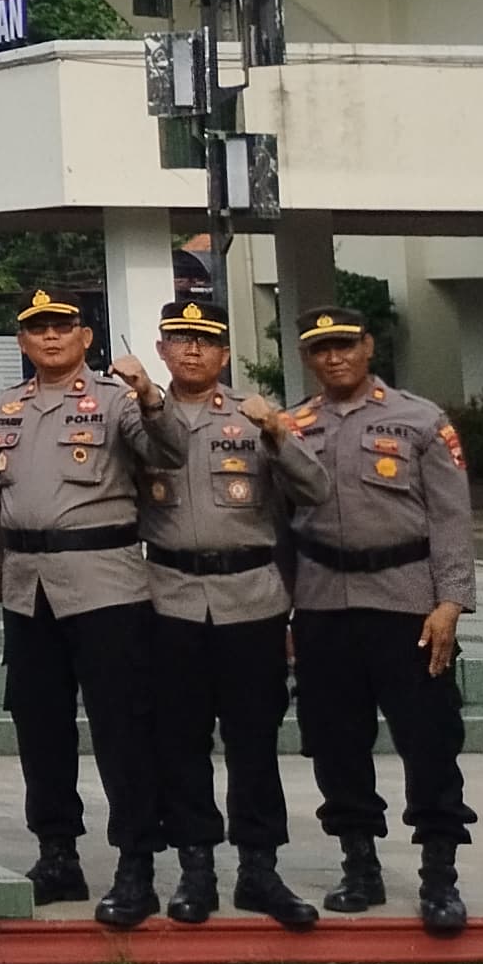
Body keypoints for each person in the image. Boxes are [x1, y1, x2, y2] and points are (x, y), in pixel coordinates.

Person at [122, 290, 325, 931]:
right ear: (160, 350)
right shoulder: (135, 418)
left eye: (205, 339)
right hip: (169, 596)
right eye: (180, 339)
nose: (192, 349)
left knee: (253, 741)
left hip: (251, 599)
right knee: (179, 740)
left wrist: (278, 433)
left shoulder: (253, 415)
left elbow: (316, 489)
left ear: (224, 352)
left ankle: (260, 869)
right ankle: (195, 868)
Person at [0, 287, 162, 926]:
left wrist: (151, 396)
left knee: (122, 728)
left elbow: (165, 453)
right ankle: (57, 854)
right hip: (29, 588)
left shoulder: (117, 402)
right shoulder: (4, 409)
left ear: (86, 337)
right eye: (37, 328)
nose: (50, 337)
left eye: (63, 327)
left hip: (105, 583)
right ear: (22, 341)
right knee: (39, 727)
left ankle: (136, 863)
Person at [282, 304, 478, 936]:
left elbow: (452, 518)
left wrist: (450, 602)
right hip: (321, 601)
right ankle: (358, 862)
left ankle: (439, 874)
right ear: (308, 357)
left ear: (368, 347)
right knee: (335, 741)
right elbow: (276, 526)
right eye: (320, 349)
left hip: (407, 603)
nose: (333, 357)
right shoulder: (290, 427)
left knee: (429, 739)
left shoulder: (421, 420)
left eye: (344, 344)